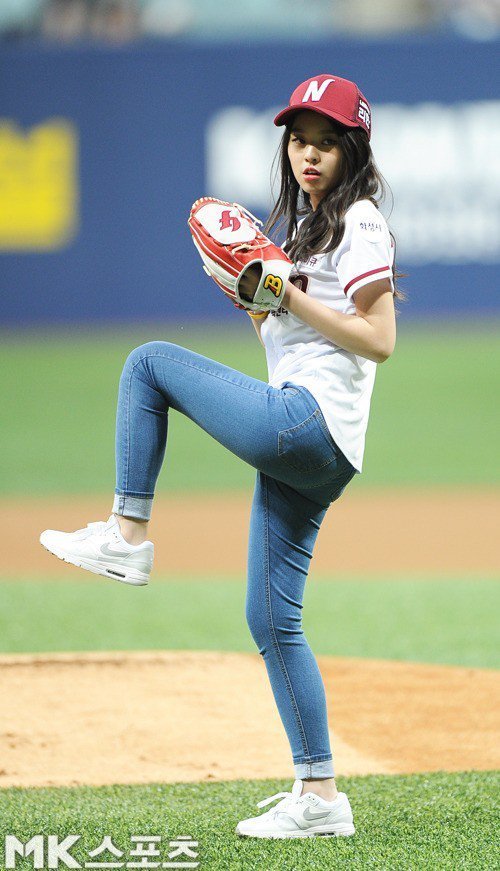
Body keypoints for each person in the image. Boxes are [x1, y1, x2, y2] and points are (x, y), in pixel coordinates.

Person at [40, 73, 400, 839]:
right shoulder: (302, 232)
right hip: (320, 445)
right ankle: (320, 795)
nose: (309, 154)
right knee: (270, 617)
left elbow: (380, 339)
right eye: (298, 140)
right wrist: (252, 299)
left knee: (148, 363)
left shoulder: (360, 219)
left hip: (307, 424)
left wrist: (288, 296)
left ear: (354, 150)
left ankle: (127, 535)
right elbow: (288, 341)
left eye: (327, 141)